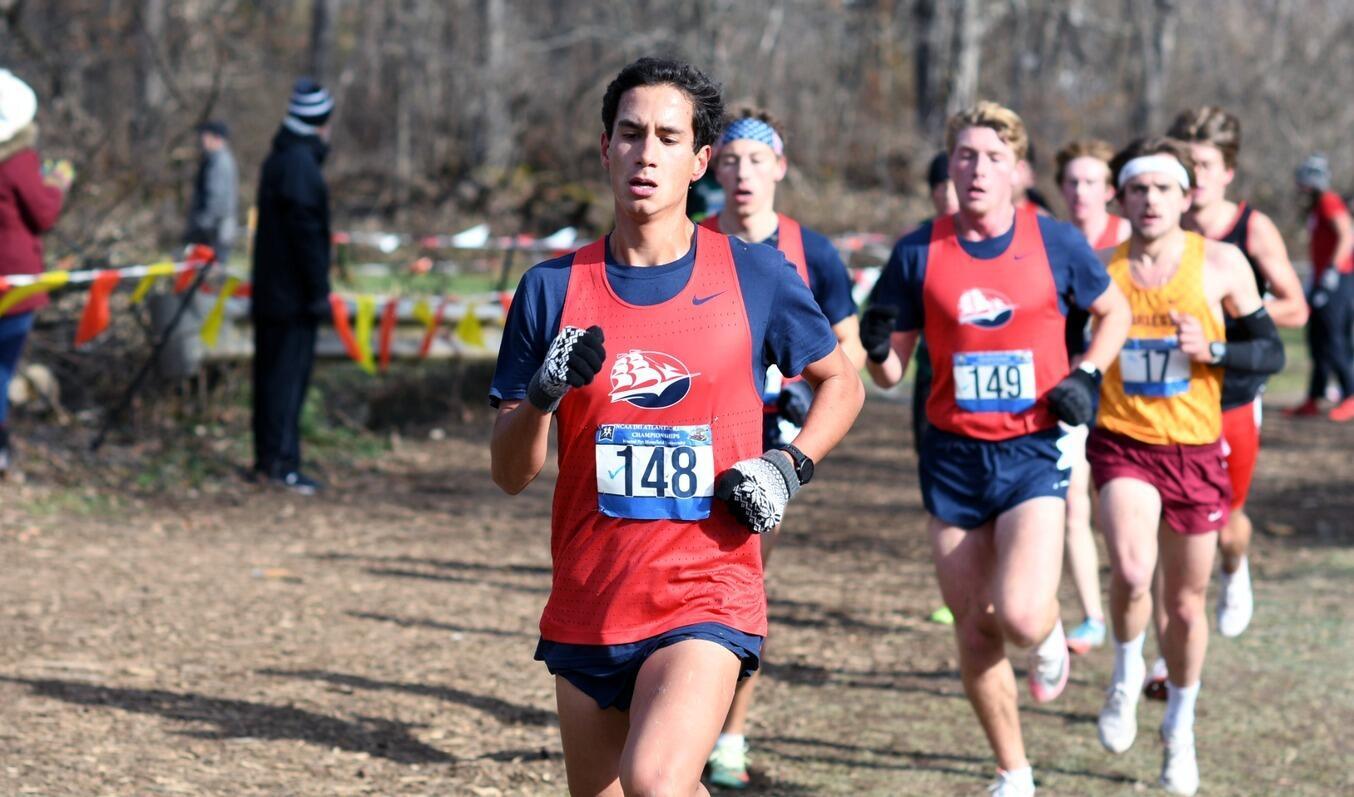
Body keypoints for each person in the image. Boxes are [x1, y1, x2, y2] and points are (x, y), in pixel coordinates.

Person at [488, 57, 863, 797]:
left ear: (699, 161)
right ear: (605, 149)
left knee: (657, 781)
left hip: (708, 586)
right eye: (630, 134)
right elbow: (509, 472)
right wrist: (542, 394)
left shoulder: (753, 274)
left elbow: (840, 384)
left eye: (667, 137)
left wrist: (788, 465)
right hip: (590, 594)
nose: (646, 152)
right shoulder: (551, 289)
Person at [862, 101, 1131, 796]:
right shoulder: (919, 250)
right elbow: (891, 368)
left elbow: (1115, 312)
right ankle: (1014, 770)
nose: (976, 169)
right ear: (950, 167)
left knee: (1015, 611)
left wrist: (1087, 373)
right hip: (951, 456)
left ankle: (1045, 641)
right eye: (964, 156)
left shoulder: (1055, 242)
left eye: (991, 158)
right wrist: (874, 348)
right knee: (975, 630)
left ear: (1017, 170)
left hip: (1031, 450)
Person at [1089, 138, 1284, 796]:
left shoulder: (1223, 263)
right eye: (1137, 189)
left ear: (1186, 196)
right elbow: (1062, 347)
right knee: (1134, 570)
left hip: (1197, 449)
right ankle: (1122, 676)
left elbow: (1272, 353)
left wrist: (1216, 347)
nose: (1149, 201)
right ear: (1122, 198)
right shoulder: (1098, 268)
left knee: (1184, 601)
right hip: (1124, 441)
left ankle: (1180, 725)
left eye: (1163, 189)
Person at [699, 106, 865, 789]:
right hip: (693, 432)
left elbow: (847, 353)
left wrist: (799, 398)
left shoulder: (811, 249)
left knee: (735, 576)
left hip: (768, 444)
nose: (742, 174)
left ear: (779, 169)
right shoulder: (692, 239)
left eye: (756, 161)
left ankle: (729, 733)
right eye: (731, 160)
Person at [1163, 108, 1308, 648]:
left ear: (1227, 171)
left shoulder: (1253, 228)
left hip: (1235, 391)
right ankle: (1168, 643)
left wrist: (1237, 319)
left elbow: (1296, 306)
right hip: (1170, 389)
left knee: (1226, 517)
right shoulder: (1163, 222)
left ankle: (1234, 566)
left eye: (1204, 164)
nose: (1194, 176)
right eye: (1186, 163)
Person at [1053, 139, 1131, 656]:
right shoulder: (1048, 241)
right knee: (1072, 505)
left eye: (1091, 182)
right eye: (1072, 182)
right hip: (1070, 395)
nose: (1081, 192)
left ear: (1109, 190)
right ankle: (1093, 617)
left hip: (1126, 397)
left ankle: (1133, 604)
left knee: (1118, 513)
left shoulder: (1126, 241)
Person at [250, 78, 335, 494]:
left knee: (269, 379)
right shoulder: (300, 166)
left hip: (272, 294)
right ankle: (282, 464)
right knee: (285, 382)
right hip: (292, 299)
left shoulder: (279, 158)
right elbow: (306, 235)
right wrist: (318, 290)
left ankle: (268, 460)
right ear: (319, 123)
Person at [0, 69, 69, 474]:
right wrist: (58, 182)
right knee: (4, 368)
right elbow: (43, 213)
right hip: (16, 281)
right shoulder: (19, 160)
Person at [1287, 154, 1354, 420]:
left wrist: (1332, 272)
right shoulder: (1316, 207)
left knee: (1334, 339)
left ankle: (1350, 394)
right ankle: (1314, 397)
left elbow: (1346, 234)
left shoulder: (1329, 201)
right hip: (1321, 279)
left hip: (1338, 281)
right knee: (1316, 338)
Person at [184, 120, 239, 264]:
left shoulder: (220, 162)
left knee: (210, 274)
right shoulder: (216, 159)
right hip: (215, 229)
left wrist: (203, 223)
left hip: (215, 231)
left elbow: (217, 199)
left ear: (217, 138)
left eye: (206, 137)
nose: (203, 141)